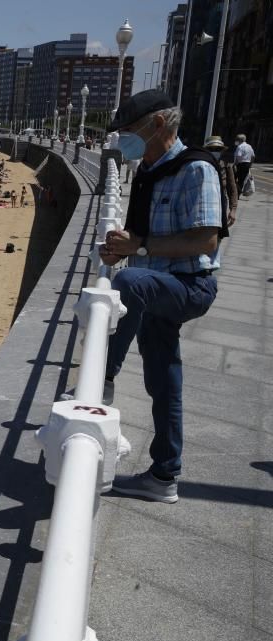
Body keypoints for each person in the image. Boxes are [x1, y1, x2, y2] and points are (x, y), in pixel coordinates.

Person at [96, 90, 223, 503]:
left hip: (189, 287)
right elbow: (139, 239)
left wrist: (141, 249)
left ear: (157, 124)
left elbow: (205, 240)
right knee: (163, 381)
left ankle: (104, 378)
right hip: (157, 288)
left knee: (130, 281)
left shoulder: (196, 169)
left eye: (128, 131)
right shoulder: (149, 171)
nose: (123, 141)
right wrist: (119, 247)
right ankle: (164, 476)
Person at [203, 136, 239, 228]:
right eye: (211, 149)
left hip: (220, 203)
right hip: (203, 203)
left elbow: (232, 188)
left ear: (222, 151)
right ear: (206, 150)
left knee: (218, 233)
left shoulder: (226, 165)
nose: (215, 151)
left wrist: (233, 210)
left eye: (218, 149)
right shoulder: (200, 164)